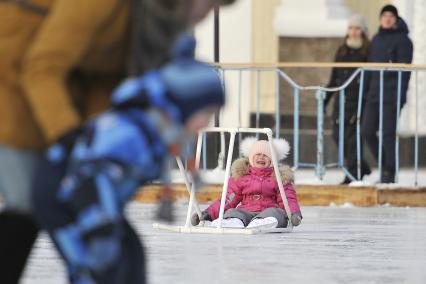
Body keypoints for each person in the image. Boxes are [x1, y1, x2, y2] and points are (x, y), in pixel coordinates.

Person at [0, 0, 235, 282]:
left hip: (55, 102)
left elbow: (106, 78)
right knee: (29, 201)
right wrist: (73, 138)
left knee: (112, 242)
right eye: (207, 3)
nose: (205, 14)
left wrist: (100, 130)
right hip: (13, 89)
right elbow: (43, 66)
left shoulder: (150, 25)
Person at [192, 137, 302, 229]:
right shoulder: (241, 176)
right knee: (233, 211)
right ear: (251, 157)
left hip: (269, 211)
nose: (261, 157)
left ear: (272, 159)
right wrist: (208, 213)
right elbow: (228, 199)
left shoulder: (279, 177)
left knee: (276, 213)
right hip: (247, 211)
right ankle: (232, 221)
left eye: (265, 155)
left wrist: (293, 213)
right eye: (257, 154)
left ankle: (263, 222)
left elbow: (288, 198)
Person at [362, 4, 413, 183]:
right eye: (384, 15)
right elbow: (369, 68)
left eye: (391, 16)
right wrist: (366, 92)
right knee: (367, 131)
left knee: (388, 134)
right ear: (380, 18)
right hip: (374, 94)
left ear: (396, 19)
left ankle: (389, 174)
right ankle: (386, 166)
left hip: (392, 95)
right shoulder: (376, 39)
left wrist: (401, 95)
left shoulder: (403, 40)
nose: (387, 18)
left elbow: (404, 70)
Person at [325, 14, 371, 184]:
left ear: (363, 31)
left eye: (357, 28)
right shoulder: (342, 50)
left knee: (352, 138)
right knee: (338, 135)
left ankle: (353, 173)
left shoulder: (367, 50)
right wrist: (326, 99)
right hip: (341, 100)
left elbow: (370, 78)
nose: (353, 32)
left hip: (358, 100)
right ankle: (360, 166)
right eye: (351, 28)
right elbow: (334, 77)